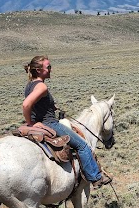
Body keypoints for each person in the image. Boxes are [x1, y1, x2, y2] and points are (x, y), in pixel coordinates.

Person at [22, 55, 111, 188]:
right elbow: (26, 105)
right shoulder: (41, 87)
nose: (51, 69)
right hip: (50, 124)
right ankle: (95, 177)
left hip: (42, 121)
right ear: (39, 70)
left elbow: (36, 105)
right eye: (48, 67)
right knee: (83, 146)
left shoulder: (30, 85)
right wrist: (31, 123)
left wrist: (50, 107)